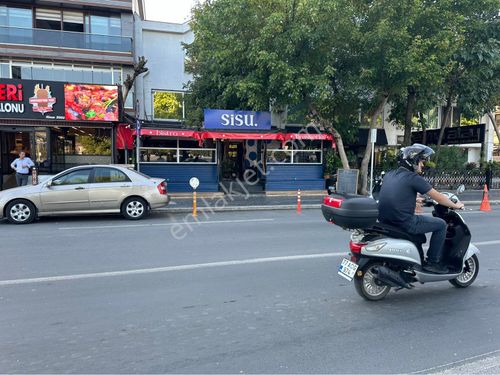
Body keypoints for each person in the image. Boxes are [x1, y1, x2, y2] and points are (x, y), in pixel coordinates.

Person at [377, 144, 464, 274]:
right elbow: (439, 198)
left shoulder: (390, 175)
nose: (422, 165)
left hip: (387, 221)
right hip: (404, 222)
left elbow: (397, 194)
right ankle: (433, 263)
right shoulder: (413, 178)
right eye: (421, 162)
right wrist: (455, 205)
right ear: (413, 161)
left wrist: (416, 200)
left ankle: (417, 260)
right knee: (441, 224)